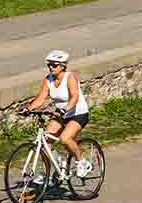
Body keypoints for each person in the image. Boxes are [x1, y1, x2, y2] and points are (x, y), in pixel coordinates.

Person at [24, 49, 92, 179]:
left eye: (54, 65)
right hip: (62, 114)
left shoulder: (70, 77)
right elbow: (41, 98)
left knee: (65, 139)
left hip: (78, 113)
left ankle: (82, 162)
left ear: (63, 66)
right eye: (49, 64)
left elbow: (74, 97)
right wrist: (28, 108)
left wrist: (65, 109)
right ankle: (49, 173)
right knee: (45, 143)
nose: (51, 67)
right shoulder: (48, 79)